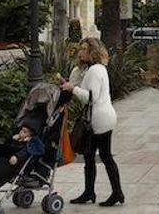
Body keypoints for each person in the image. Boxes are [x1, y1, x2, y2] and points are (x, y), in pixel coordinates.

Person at [60, 38, 123, 207]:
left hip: (100, 119)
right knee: (89, 156)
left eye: (84, 50)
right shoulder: (91, 69)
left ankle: (117, 193)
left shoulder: (95, 70)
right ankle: (89, 192)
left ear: (92, 52)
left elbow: (90, 97)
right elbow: (78, 85)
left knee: (105, 156)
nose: (80, 52)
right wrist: (72, 80)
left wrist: (72, 88)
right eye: (80, 49)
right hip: (97, 117)